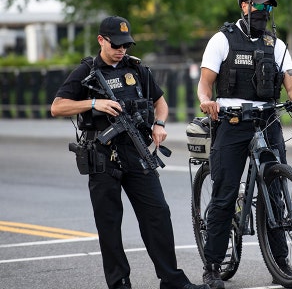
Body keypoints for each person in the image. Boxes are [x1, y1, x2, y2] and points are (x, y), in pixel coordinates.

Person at [50, 16, 209, 289]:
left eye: (126, 44)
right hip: (102, 155)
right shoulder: (85, 71)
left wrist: (159, 125)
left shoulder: (135, 69)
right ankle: (119, 282)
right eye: (117, 44)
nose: (122, 49)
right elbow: (57, 107)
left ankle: (171, 279)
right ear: (101, 40)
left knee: (158, 213)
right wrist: (93, 103)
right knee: (109, 224)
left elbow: (161, 103)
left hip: (137, 151)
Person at [196, 0, 292, 289]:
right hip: (232, 122)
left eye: (269, 5)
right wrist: (206, 102)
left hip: (268, 120)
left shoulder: (277, 45)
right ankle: (212, 266)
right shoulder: (223, 40)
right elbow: (205, 84)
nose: (265, 9)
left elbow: (291, 82)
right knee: (225, 195)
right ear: (244, 6)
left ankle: (281, 263)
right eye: (259, 3)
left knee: (275, 190)